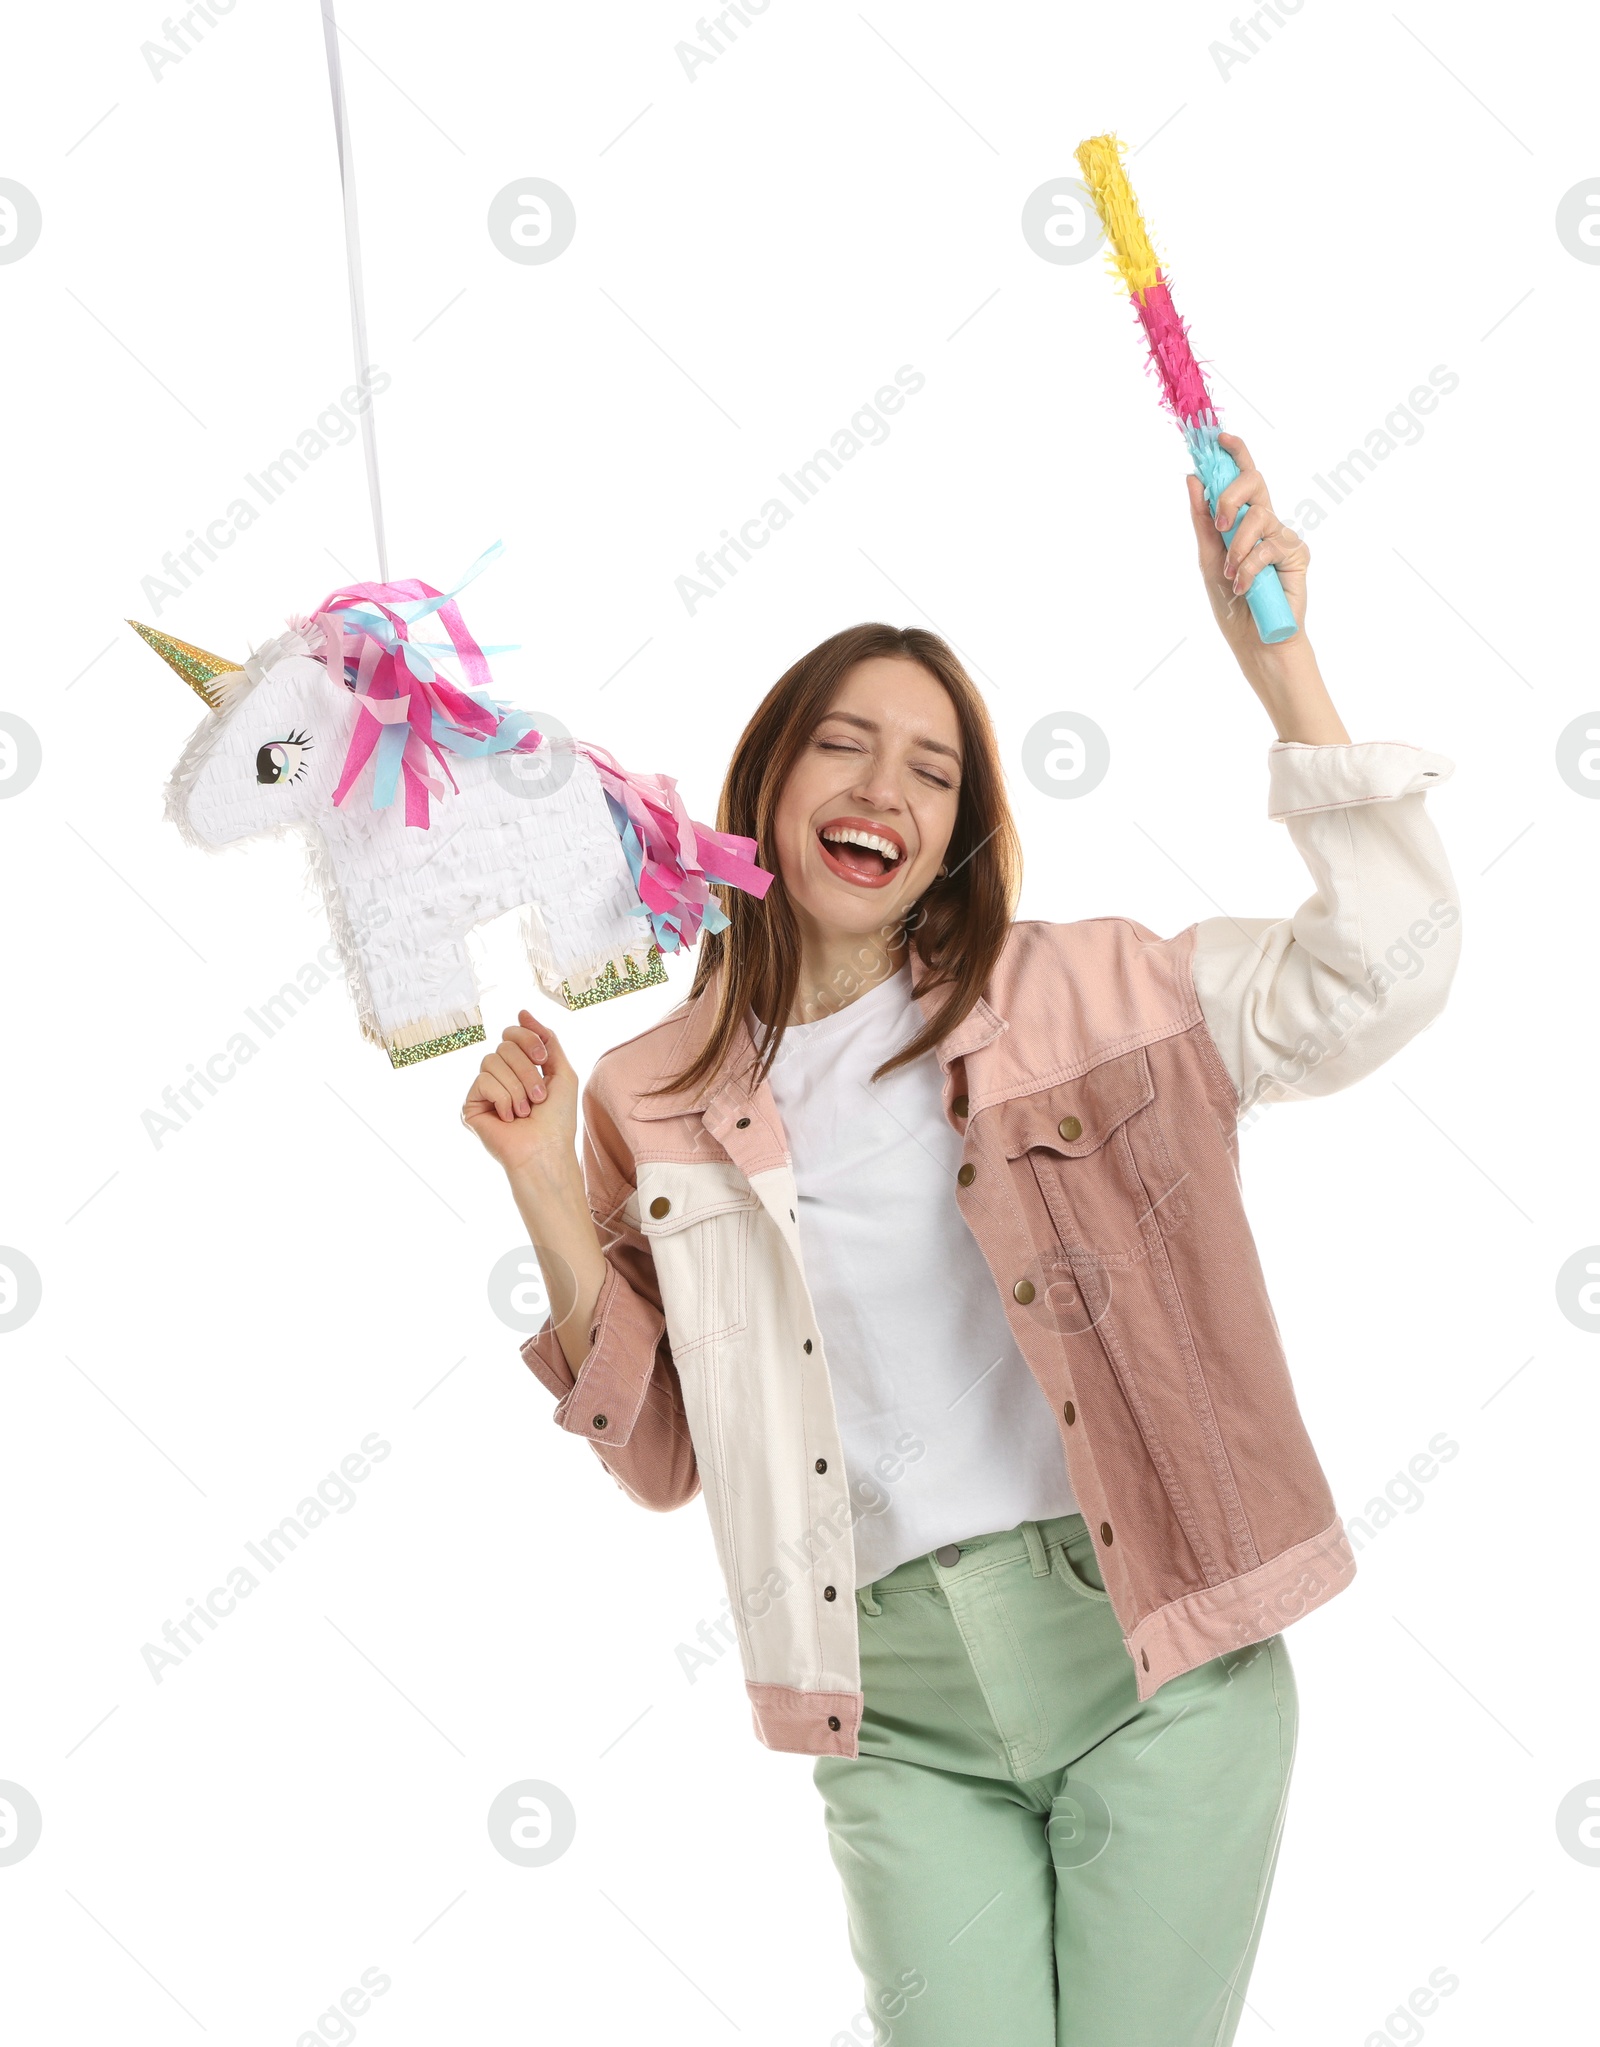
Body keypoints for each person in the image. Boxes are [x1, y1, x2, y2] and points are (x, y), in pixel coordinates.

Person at [461, 436, 1460, 2046]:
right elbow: (656, 1454)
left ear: (961, 829)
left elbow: (1384, 969)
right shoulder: (652, 1092)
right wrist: (531, 1177)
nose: (884, 791)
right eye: (843, 751)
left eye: (932, 772)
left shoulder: (1089, 994)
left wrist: (1280, 663)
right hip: (896, 1707)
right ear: (768, 793)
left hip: (1154, 1663)